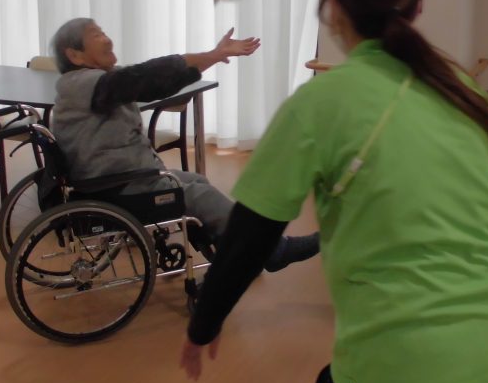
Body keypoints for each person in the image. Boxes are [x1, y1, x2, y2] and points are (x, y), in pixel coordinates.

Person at [179, 0, 488, 383]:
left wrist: (204, 322)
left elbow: (250, 237)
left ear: (334, 8)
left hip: (401, 365)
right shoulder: (466, 92)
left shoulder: (322, 103)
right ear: (418, 7)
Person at [48, 17, 319, 271]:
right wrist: (212, 55)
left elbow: (155, 82)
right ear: (75, 55)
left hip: (121, 177)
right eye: (96, 34)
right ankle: (271, 251)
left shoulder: (95, 82)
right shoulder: (83, 84)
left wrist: (213, 56)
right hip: (115, 185)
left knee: (197, 181)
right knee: (199, 196)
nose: (107, 38)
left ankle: (235, 250)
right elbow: (146, 77)